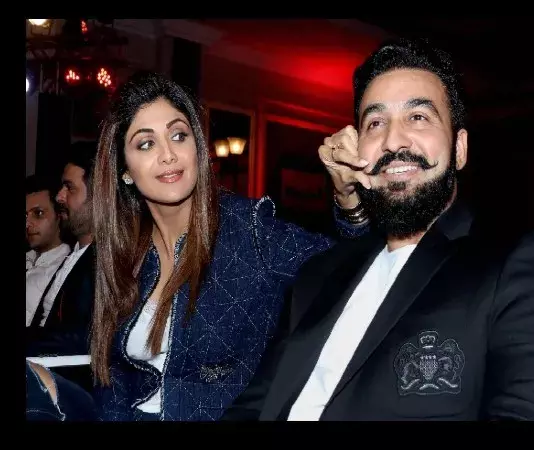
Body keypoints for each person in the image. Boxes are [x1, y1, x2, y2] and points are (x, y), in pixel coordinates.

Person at [222, 38, 534, 421]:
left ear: (459, 149)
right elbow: (253, 407)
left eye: (418, 117)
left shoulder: (516, 263)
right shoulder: (318, 277)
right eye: (375, 123)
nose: (392, 140)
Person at [26, 71, 368, 421]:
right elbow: (108, 373)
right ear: (124, 169)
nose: (168, 154)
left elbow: (357, 272)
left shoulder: (249, 231)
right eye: (146, 144)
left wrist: (349, 200)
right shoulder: (124, 251)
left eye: (178, 135)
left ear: (197, 149)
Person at [27, 142, 97, 358]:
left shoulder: (105, 262)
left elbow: (81, 339)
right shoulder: (75, 256)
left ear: (99, 196)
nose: (59, 196)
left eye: (69, 188)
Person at [26, 174, 71, 327]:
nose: (27, 224)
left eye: (38, 213)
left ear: (59, 216)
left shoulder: (65, 270)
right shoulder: (28, 258)